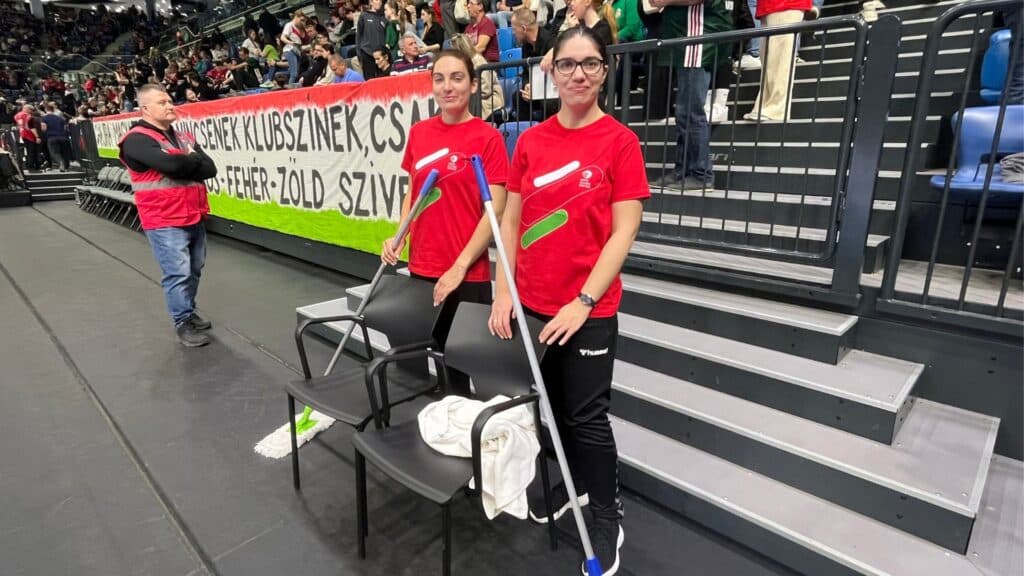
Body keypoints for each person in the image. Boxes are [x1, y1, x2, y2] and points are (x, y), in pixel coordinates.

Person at [488, 26, 647, 576]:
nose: (578, 74)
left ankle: (606, 514)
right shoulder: (531, 142)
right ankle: (575, 485)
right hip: (533, 303)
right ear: (551, 71)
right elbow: (512, 219)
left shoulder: (620, 143)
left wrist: (582, 300)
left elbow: (624, 232)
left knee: (587, 419)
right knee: (550, 411)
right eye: (567, 64)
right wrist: (502, 288)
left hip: (587, 312)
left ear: (604, 71)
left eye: (590, 63)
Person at [381, 49, 508, 396]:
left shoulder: (488, 138)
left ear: (472, 84)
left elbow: (495, 210)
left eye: (457, 78)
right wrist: (399, 234)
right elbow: (413, 190)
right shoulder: (420, 133)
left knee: (468, 369)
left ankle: (476, 426)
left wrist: (459, 266)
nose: (447, 87)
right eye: (439, 79)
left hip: (466, 274)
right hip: (423, 267)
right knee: (438, 361)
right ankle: (446, 423)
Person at [118, 84, 218, 348]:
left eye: (170, 101)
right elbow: (171, 165)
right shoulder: (136, 139)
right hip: (164, 219)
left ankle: (188, 311)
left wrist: (183, 162)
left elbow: (210, 169)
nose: (170, 105)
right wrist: (189, 160)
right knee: (178, 272)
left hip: (193, 214)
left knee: (194, 269)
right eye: (162, 102)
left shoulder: (181, 136)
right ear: (145, 108)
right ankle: (182, 321)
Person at [743, 0, 809, 122]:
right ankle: (763, 104)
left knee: (780, 58)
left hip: (786, 4)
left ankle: (776, 109)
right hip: (768, 6)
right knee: (768, 59)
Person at [450, 34, 504, 121]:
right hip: (473, 99)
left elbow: (486, 90)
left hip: (489, 100)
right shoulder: (463, 63)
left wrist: (465, 94)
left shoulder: (478, 61)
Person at [358, 0, 388, 79]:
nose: (379, 2)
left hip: (381, 55)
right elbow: (358, 36)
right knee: (370, 80)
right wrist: (359, 55)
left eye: (380, 0)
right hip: (367, 54)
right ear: (371, 2)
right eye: (376, 0)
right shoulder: (364, 16)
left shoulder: (384, 17)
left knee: (383, 79)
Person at [41, 103, 71, 171]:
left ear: (46, 110)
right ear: (53, 110)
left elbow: (44, 128)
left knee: (54, 152)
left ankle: (61, 163)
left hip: (52, 137)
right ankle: (66, 166)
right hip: (64, 137)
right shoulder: (60, 118)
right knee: (64, 152)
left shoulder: (44, 118)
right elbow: (65, 127)